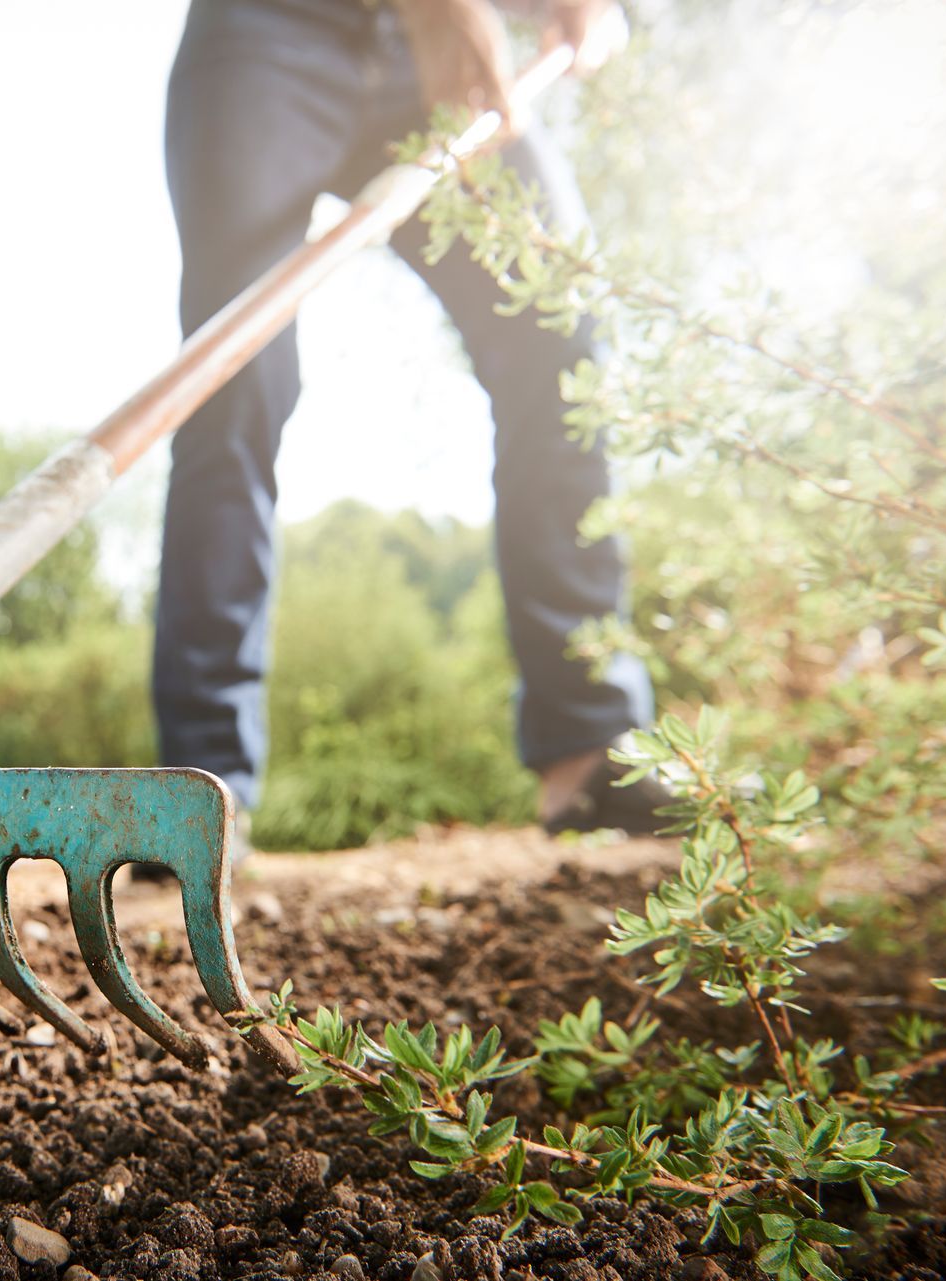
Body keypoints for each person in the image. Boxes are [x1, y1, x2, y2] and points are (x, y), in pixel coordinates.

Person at [153, 0, 667, 837]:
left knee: (560, 332)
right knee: (234, 379)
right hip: (264, 33)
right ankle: (202, 792)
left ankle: (590, 745)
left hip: (417, 54)